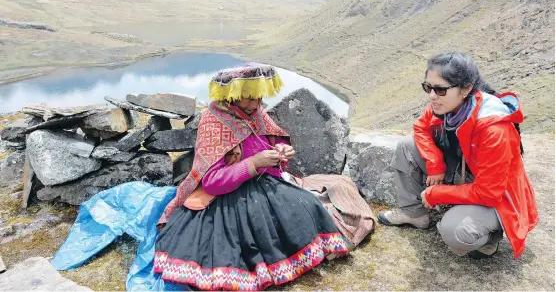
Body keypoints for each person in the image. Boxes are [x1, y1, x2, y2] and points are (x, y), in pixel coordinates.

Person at [155, 63, 375, 290]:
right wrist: (252, 164)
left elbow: (273, 138)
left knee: (306, 205)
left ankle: (316, 247)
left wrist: (282, 151)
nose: (255, 104)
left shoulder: (255, 112)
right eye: (248, 98)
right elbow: (211, 182)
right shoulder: (213, 121)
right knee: (245, 236)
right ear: (231, 95)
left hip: (264, 182)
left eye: (259, 97)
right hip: (227, 196)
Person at [378, 52, 538, 259]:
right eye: (428, 87)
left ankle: (490, 237)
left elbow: (489, 193)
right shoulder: (447, 106)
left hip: (496, 196)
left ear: (466, 89)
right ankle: (414, 214)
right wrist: (435, 163)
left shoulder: (494, 130)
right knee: (407, 146)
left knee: (456, 232)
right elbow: (421, 127)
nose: (432, 96)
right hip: (464, 174)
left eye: (440, 89)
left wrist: (438, 193)